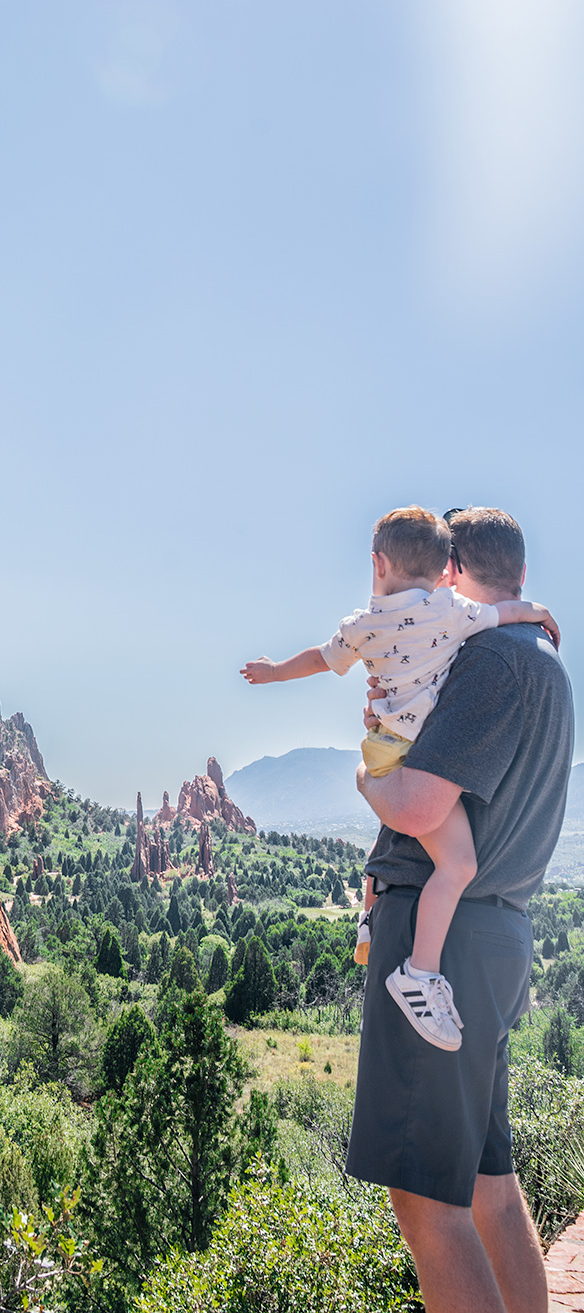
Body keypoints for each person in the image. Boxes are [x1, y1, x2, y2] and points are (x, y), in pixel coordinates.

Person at [346, 506, 572, 1313]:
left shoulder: (488, 665)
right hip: (498, 939)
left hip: (444, 946)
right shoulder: (544, 665)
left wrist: (366, 771)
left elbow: (418, 805)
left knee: (426, 1203)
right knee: (486, 1183)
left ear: (448, 574)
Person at [242, 505, 558, 1048]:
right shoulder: (452, 613)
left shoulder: (361, 626)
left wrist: (273, 674)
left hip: (387, 749)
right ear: (443, 571)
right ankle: (411, 965)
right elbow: (504, 614)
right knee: (455, 863)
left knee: (434, 848)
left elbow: (319, 659)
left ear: (377, 563)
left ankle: (391, 944)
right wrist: (539, 611)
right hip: (414, 756)